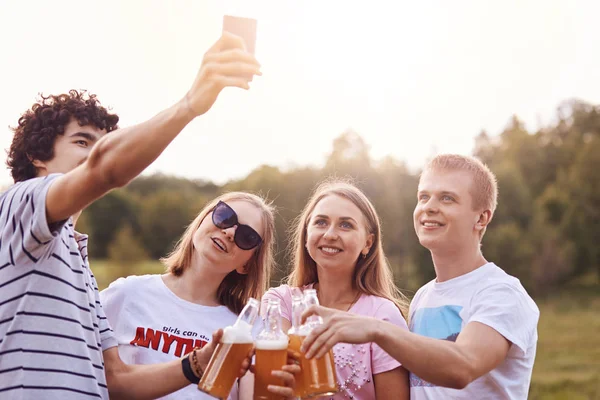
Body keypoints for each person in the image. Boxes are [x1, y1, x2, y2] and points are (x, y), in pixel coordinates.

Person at [0, 32, 261, 399]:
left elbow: (117, 381)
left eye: (103, 143)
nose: (96, 153)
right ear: (37, 156)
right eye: (82, 142)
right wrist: (189, 104)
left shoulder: (74, 255)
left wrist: (197, 364)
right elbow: (104, 168)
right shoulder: (19, 208)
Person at [300, 154, 540, 399]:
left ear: (481, 218)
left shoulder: (502, 293)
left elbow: (463, 366)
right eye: (424, 197)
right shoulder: (424, 297)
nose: (429, 207)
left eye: (447, 198)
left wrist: (376, 329)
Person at [100, 193, 275, 399]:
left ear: (247, 264)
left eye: (247, 236)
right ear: (201, 221)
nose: (228, 232)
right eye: (224, 216)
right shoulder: (127, 294)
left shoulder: (250, 330)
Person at [262, 180, 411, 400]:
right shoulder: (280, 302)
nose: (330, 234)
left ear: (367, 244)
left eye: (346, 225)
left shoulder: (383, 315)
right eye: (321, 222)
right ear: (306, 235)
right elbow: (271, 384)